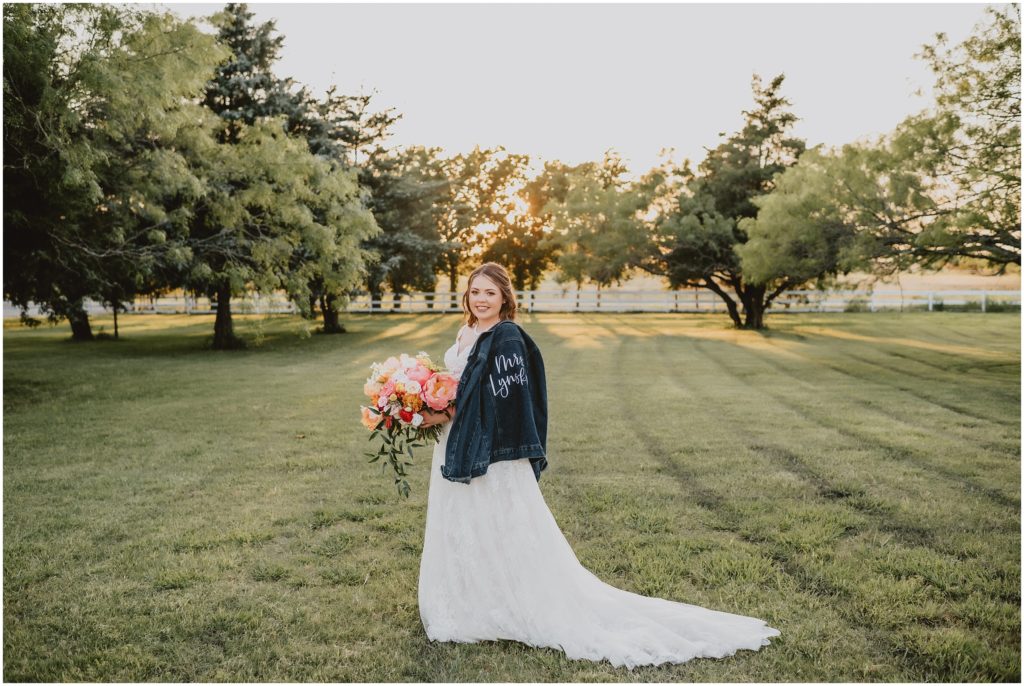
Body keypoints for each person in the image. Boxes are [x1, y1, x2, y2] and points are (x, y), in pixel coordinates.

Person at [416, 262, 780, 670]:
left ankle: (509, 604)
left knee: (503, 528)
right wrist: (421, 401)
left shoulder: (508, 338)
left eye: (490, 292)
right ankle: (471, 600)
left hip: (492, 455)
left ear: (504, 297)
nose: (481, 299)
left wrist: (443, 414)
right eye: (475, 291)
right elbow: (461, 388)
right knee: (466, 524)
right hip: (457, 443)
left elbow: (501, 402)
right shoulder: (466, 332)